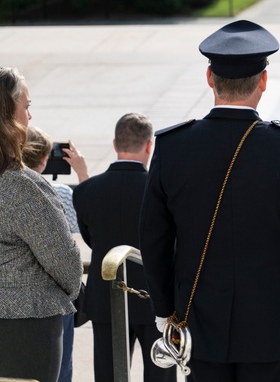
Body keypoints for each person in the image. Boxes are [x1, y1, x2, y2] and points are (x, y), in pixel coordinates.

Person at [140, 20, 280, 382]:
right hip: (270, 321)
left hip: (197, 318)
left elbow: (153, 238)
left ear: (210, 77)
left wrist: (164, 307)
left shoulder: (173, 148)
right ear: (263, 81)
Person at [74, 113, 175, 382]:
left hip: (106, 297)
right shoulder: (164, 191)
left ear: (115, 143)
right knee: (161, 375)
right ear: (149, 146)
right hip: (157, 300)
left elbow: (91, 240)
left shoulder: (86, 192)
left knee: (108, 375)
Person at [0, 67, 82, 382]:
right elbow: (65, 263)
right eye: (26, 106)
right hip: (25, 331)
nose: (30, 117)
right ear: (8, 113)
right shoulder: (23, 186)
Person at [22, 126, 89, 382]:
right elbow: (86, 218)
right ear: (44, 160)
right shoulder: (57, 193)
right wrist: (82, 172)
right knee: (60, 369)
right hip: (56, 299)